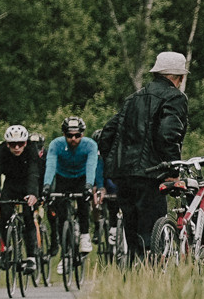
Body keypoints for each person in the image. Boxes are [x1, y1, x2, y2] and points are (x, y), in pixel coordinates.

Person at [106, 51, 190, 260]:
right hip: (151, 175)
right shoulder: (174, 97)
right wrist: (172, 171)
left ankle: (135, 279)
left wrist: (113, 163)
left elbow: (108, 133)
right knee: (152, 233)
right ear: (177, 77)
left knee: (133, 235)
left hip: (123, 175)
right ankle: (151, 277)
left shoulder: (133, 98)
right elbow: (168, 134)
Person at [42, 116, 102, 256]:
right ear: (64, 134)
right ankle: (66, 251)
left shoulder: (90, 145)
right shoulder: (56, 145)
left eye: (77, 135)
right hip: (63, 178)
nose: (73, 139)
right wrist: (46, 185)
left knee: (83, 205)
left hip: (82, 177)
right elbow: (50, 166)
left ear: (82, 134)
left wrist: (88, 185)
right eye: (69, 135)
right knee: (61, 215)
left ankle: (85, 235)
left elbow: (91, 165)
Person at [0, 124, 47, 269]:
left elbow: (34, 173)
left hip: (27, 183)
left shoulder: (31, 151)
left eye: (20, 144)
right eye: (13, 144)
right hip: (10, 184)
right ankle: (7, 250)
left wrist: (33, 194)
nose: (16, 148)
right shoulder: (0, 151)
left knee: (28, 216)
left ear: (25, 143)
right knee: (3, 215)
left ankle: (31, 257)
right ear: (7, 144)